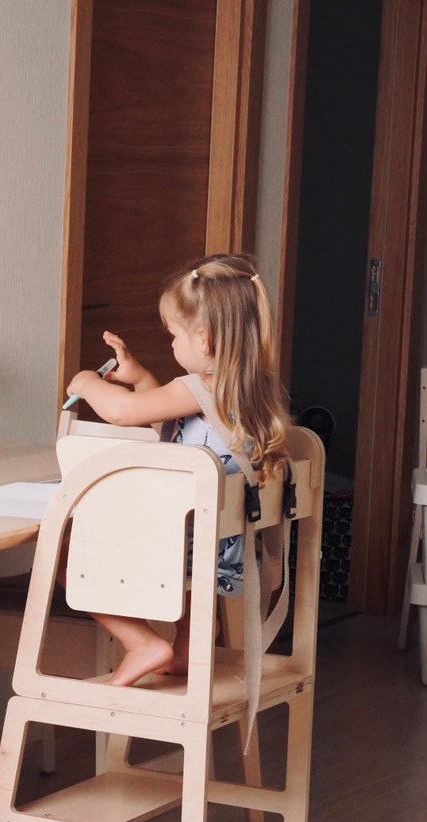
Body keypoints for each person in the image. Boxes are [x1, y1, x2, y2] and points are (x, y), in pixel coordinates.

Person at [65, 252, 291, 687]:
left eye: (173, 335)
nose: (171, 344)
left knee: (66, 548)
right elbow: (175, 427)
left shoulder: (196, 387)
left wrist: (86, 382)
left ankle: (142, 642)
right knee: (192, 531)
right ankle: (188, 646)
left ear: (203, 339)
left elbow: (122, 412)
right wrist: (141, 375)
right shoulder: (251, 393)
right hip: (225, 552)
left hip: (178, 545)